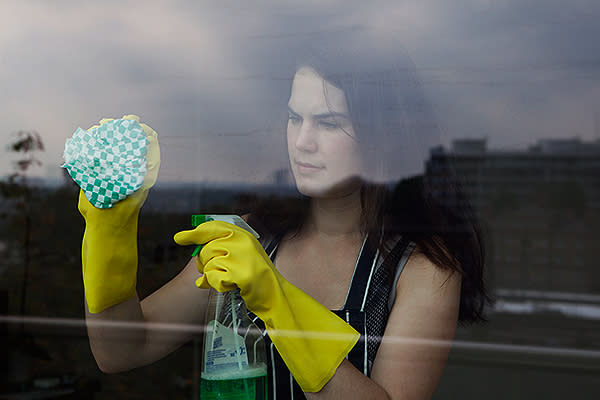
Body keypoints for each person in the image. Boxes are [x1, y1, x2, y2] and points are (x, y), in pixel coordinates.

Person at [80, 32, 489, 400]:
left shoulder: (422, 268)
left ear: (383, 134)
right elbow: (121, 350)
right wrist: (109, 228)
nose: (302, 142)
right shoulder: (248, 238)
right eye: (295, 119)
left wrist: (277, 297)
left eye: (328, 123)